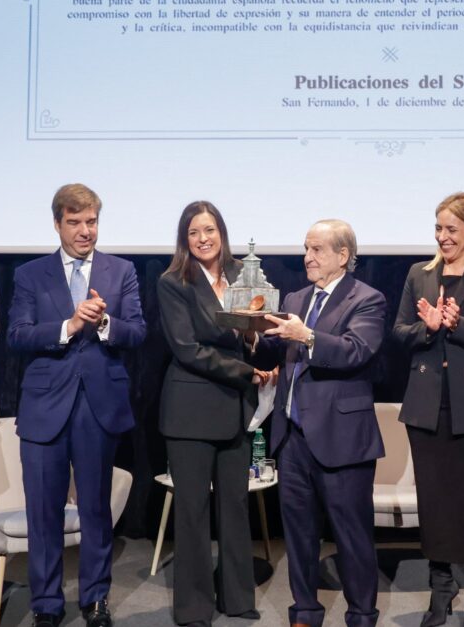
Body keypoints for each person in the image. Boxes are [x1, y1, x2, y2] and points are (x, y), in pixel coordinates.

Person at [7, 184, 147, 627]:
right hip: (45, 404)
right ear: (57, 224)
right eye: (75, 222)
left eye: (91, 222)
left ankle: (95, 599)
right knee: (43, 512)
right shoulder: (30, 274)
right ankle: (46, 604)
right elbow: (17, 335)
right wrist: (68, 325)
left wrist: (104, 321)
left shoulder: (121, 271)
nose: (85, 231)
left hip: (98, 405)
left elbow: (139, 332)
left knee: (95, 510)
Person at [391, 193, 464, 627]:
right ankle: (440, 592)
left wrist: (460, 326)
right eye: (439, 228)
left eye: (452, 230)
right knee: (437, 503)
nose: (443, 237)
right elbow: (400, 333)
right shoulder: (418, 275)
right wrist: (427, 329)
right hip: (428, 408)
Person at [258, 219, 387, 627]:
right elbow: (272, 355)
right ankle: (305, 613)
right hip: (292, 436)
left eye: (316, 250)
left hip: (341, 437)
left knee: (352, 537)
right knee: (298, 536)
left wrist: (308, 336)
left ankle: (362, 615)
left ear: (343, 256)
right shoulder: (295, 298)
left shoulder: (367, 299)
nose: (307, 257)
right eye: (306, 249)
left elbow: (357, 351)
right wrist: (252, 336)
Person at [157, 201, 273, 627]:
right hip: (190, 410)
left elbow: (253, 332)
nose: (203, 238)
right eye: (193, 232)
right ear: (184, 240)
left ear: (221, 232)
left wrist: (257, 345)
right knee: (191, 512)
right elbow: (187, 348)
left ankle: (238, 599)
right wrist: (247, 370)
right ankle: (193, 609)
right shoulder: (174, 282)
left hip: (235, 409)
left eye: (209, 230)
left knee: (235, 507)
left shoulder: (244, 277)